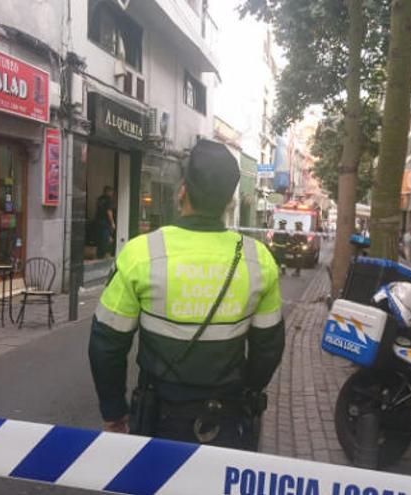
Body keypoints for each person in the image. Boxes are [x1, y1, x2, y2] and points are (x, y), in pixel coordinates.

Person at [88, 139, 285, 450]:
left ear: (182, 190)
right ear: (229, 202)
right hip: (228, 420)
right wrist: (247, 390)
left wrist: (114, 411)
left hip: (157, 419)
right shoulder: (258, 259)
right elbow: (269, 348)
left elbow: (106, 344)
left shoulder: (141, 253)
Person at [95, 186, 116, 258]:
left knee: (100, 239)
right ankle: (105, 255)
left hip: (98, 222)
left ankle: (99, 255)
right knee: (106, 239)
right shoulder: (108, 200)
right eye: (111, 191)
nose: (112, 193)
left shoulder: (99, 199)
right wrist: (112, 222)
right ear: (108, 191)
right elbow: (109, 212)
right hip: (105, 223)